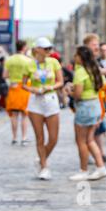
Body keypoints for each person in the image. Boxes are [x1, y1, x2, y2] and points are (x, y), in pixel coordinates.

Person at [22, 37, 64, 180]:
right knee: (40, 137)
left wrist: (50, 87)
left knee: (53, 138)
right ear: (37, 50)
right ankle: (44, 167)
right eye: (45, 49)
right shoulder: (29, 65)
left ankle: (41, 158)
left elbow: (60, 82)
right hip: (36, 101)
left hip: (51, 99)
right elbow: (23, 84)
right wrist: (32, 89)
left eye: (49, 49)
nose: (48, 51)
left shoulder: (54, 62)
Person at [69, 46, 106, 181]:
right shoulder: (96, 69)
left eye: (76, 54)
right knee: (90, 139)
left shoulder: (80, 72)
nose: (75, 57)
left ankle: (83, 170)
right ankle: (101, 167)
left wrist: (68, 91)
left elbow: (78, 95)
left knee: (81, 141)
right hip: (95, 105)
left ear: (81, 57)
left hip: (85, 107)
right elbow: (103, 85)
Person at [83, 34, 106, 163]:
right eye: (94, 44)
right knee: (90, 129)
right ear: (87, 45)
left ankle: (100, 155)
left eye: (97, 44)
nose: (96, 47)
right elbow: (94, 71)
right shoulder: (85, 58)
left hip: (97, 98)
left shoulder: (92, 58)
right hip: (90, 98)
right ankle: (90, 157)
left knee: (98, 129)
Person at [4, 40, 32, 146]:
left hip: (13, 88)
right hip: (25, 89)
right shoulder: (28, 61)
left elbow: (5, 75)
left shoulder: (9, 60)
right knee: (24, 115)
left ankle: (14, 137)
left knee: (14, 115)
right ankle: (24, 137)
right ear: (24, 47)